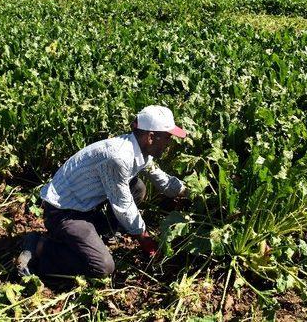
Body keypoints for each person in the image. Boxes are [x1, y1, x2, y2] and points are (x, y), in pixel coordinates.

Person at [16, 105, 188, 278]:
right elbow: (123, 204)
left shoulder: (141, 150)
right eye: (167, 138)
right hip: (63, 213)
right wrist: (144, 238)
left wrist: (189, 192)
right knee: (102, 267)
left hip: (86, 206)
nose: (169, 143)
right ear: (151, 137)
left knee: (137, 187)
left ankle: (105, 233)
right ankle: (39, 246)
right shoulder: (119, 157)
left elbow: (162, 180)